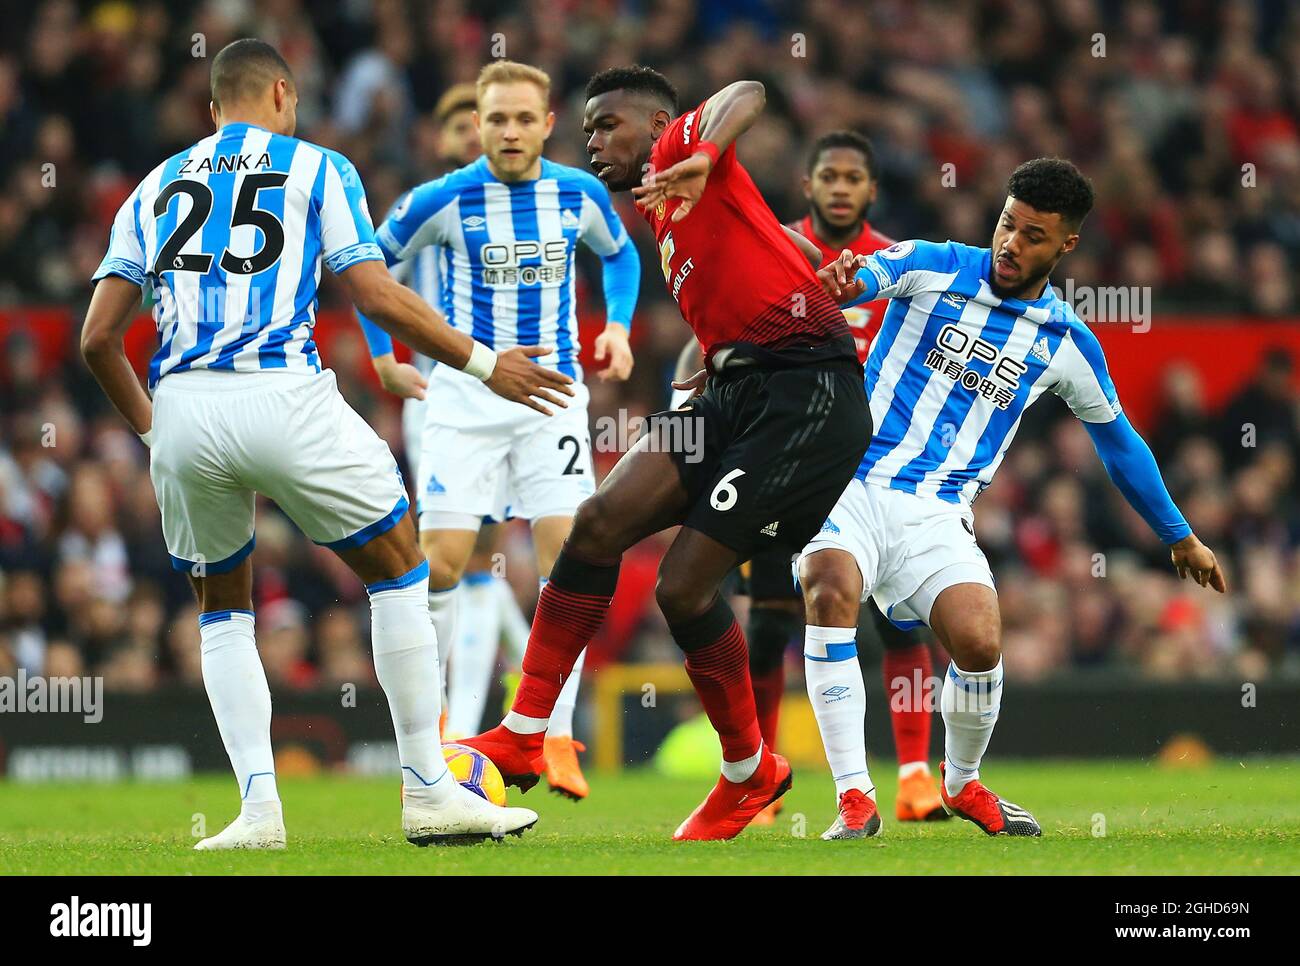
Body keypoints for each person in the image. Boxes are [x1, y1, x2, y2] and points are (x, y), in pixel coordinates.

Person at [80, 38, 571, 849]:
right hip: (283, 394)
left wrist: (152, 427)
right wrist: (486, 364)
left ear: (212, 111)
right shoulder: (317, 167)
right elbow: (372, 291)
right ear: (282, 94)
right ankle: (426, 788)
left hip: (183, 409)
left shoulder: (154, 184)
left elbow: (99, 339)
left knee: (222, 610)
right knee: (400, 564)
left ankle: (258, 813)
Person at [462, 66, 871, 841]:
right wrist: (810, 273)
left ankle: (748, 775)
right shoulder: (663, 212)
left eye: (605, 124)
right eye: (584, 127)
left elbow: (747, 89)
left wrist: (707, 150)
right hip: (728, 392)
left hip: (805, 395)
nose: (591, 140)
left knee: (684, 588)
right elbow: (765, 242)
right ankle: (522, 732)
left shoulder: (682, 150)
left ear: (657, 127)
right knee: (597, 523)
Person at [805, 157, 1227, 838]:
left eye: (1033, 235)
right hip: (848, 482)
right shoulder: (933, 264)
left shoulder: (1065, 342)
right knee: (828, 589)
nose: (1011, 243)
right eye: (1007, 224)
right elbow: (867, 274)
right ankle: (855, 799)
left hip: (936, 512)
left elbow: (1118, 443)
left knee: (978, 640)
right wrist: (844, 281)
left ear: (1066, 245)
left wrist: (1180, 534)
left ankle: (962, 783)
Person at [357, 61, 640, 799]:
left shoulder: (578, 193)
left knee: (569, 558)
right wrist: (383, 358)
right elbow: (367, 268)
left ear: (548, 125)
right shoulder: (443, 199)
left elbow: (622, 254)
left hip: (551, 397)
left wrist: (616, 327)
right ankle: (442, 732)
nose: (510, 131)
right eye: (496, 119)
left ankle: (554, 735)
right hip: (463, 399)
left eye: (524, 118)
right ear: (476, 127)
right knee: (444, 564)